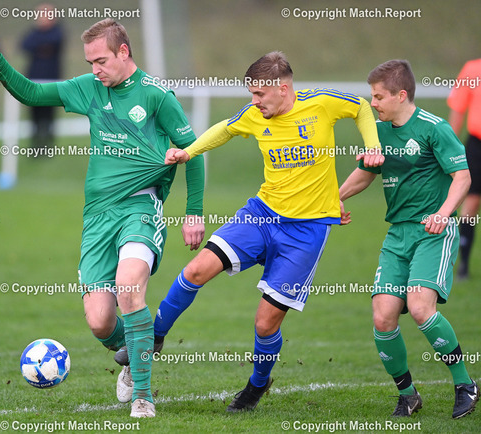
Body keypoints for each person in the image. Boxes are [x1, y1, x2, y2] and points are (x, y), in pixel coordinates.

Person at [0, 18, 205, 418]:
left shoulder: (156, 96)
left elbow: (193, 151)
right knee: (99, 322)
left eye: (101, 61)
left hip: (139, 207)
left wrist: (194, 214)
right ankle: (134, 348)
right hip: (97, 217)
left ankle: (143, 397)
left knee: (128, 289)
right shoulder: (89, 88)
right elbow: (31, 93)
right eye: (90, 63)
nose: (95, 70)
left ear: (123, 52)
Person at [149, 51, 384, 413]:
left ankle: (258, 384)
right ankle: (152, 338)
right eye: (252, 93)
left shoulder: (321, 104)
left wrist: (373, 146)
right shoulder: (255, 115)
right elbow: (225, 129)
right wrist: (188, 152)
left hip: (306, 232)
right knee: (196, 270)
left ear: (283, 89)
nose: (254, 101)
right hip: (261, 215)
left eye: (259, 94)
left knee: (264, 324)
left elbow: (362, 108)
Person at [339, 59, 478, 419]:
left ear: (401, 95)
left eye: (378, 97)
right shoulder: (378, 132)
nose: (373, 103)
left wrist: (443, 214)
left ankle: (465, 384)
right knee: (383, 317)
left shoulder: (434, 128)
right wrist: (334, 200)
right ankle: (408, 395)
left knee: (419, 308)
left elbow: (462, 177)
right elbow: (365, 173)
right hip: (397, 234)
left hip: (433, 232)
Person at [447, 58, 481, 280]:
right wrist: (448, 151)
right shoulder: (472, 69)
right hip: (477, 145)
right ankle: (463, 266)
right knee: (471, 203)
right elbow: (458, 110)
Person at [20, 2, 65, 149]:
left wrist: (40, 46)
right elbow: (24, 45)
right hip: (34, 80)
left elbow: (54, 43)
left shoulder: (57, 32)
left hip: (51, 81)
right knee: (35, 115)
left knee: (48, 115)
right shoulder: (34, 33)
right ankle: (36, 145)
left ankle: (47, 145)